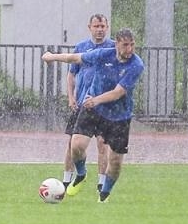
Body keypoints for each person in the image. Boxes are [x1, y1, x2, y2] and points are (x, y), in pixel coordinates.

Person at [41, 29, 144, 201]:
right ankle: (81, 174)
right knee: (76, 145)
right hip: (93, 109)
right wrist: (51, 56)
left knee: (115, 162)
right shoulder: (104, 55)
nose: (130, 49)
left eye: (132, 45)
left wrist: (96, 100)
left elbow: (118, 93)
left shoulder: (136, 65)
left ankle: (104, 195)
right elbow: (74, 58)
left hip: (119, 116)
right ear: (117, 44)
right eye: (125, 45)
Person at [59, 13, 113, 196]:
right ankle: (67, 179)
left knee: (102, 144)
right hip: (82, 103)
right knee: (72, 143)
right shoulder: (82, 47)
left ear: (107, 28)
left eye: (102, 26)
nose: (99, 29)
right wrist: (71, 98)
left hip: (104, 105)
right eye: (96, 26)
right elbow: (71, 74)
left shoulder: (112, 48)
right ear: (89, 27)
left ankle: (101, 185)